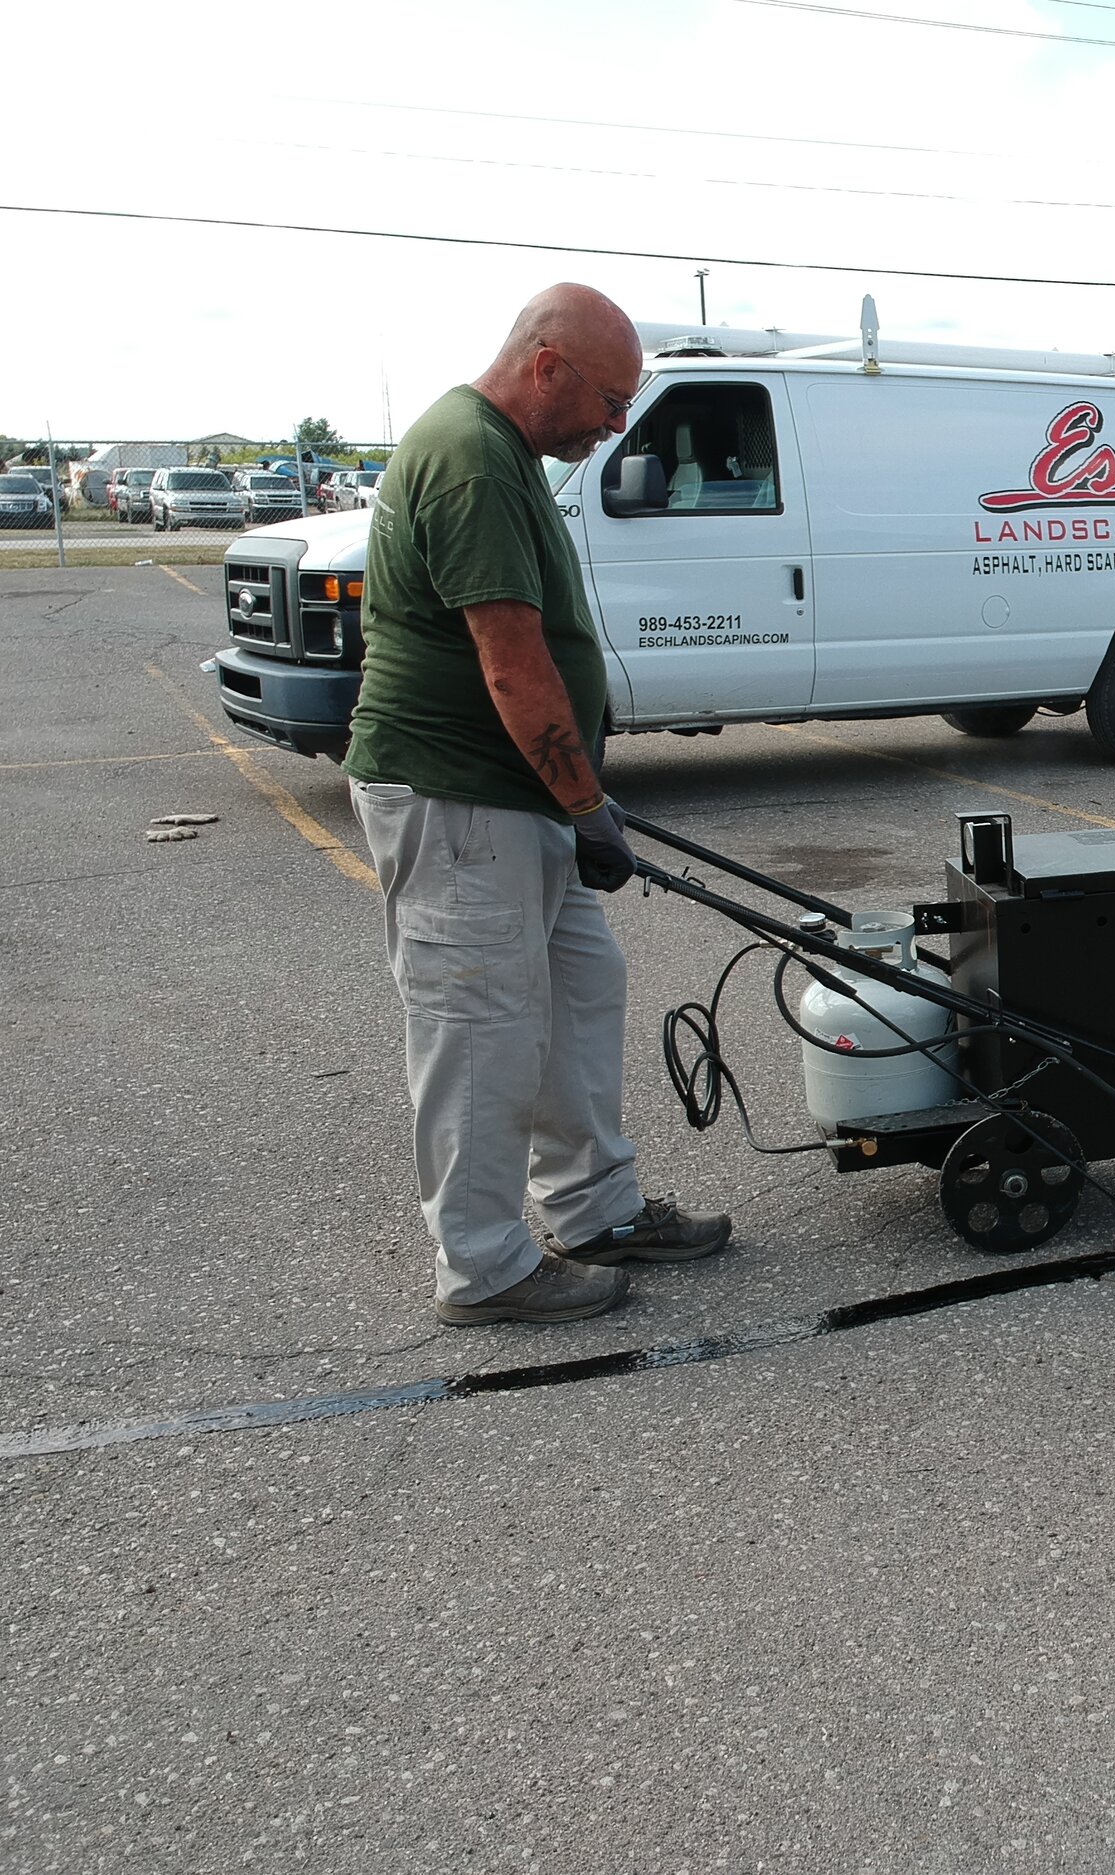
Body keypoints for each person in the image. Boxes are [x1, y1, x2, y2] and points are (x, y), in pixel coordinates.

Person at [344, 282, 731, 1326]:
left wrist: (574, 805)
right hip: (461, 793)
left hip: (517, 800)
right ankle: (483, 1267)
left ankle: (594, 1207)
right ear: (546, 365)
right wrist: (586, 801)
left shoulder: (500, 451)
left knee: (580, 988)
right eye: (608, 401)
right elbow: (512, 666)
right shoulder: (471, 458)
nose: (614, 427)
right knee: (481, 1025)